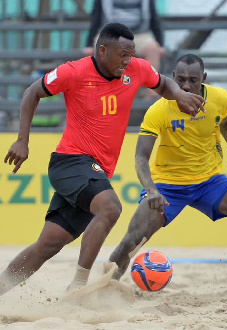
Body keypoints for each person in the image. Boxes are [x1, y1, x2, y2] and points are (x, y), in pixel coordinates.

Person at [0, 24, 205, 296]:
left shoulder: (136, 69)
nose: (127, 61)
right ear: (103, 50)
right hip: (70, 162)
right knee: (110, 207)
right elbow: (31, 92)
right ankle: (79, 285)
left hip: (94, 172)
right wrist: (23, 140)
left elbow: (164, 83)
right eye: (122, 54)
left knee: (48, 245)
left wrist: (178, 94)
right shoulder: (74, 72)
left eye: (131, 54)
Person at [109, 54, 227, 304]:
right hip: (167, 186)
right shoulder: (159, 110)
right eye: (180, 79)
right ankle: (103, 285)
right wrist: (151, 190)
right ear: (172, 78)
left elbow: (226, 121)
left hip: (209, 181)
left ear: (204, 79)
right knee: (132, 237)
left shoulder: (219, 98)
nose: (186, 86)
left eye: (193, 80)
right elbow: (140, 156)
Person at [83, 0, 166, 98]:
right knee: (103, 49)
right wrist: (88, 45)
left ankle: (151, 95)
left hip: (139, 34)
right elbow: (96, 18)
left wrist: (160, 44)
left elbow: (154, 17)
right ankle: (102, 91)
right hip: (110, 33)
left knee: (153, 49)